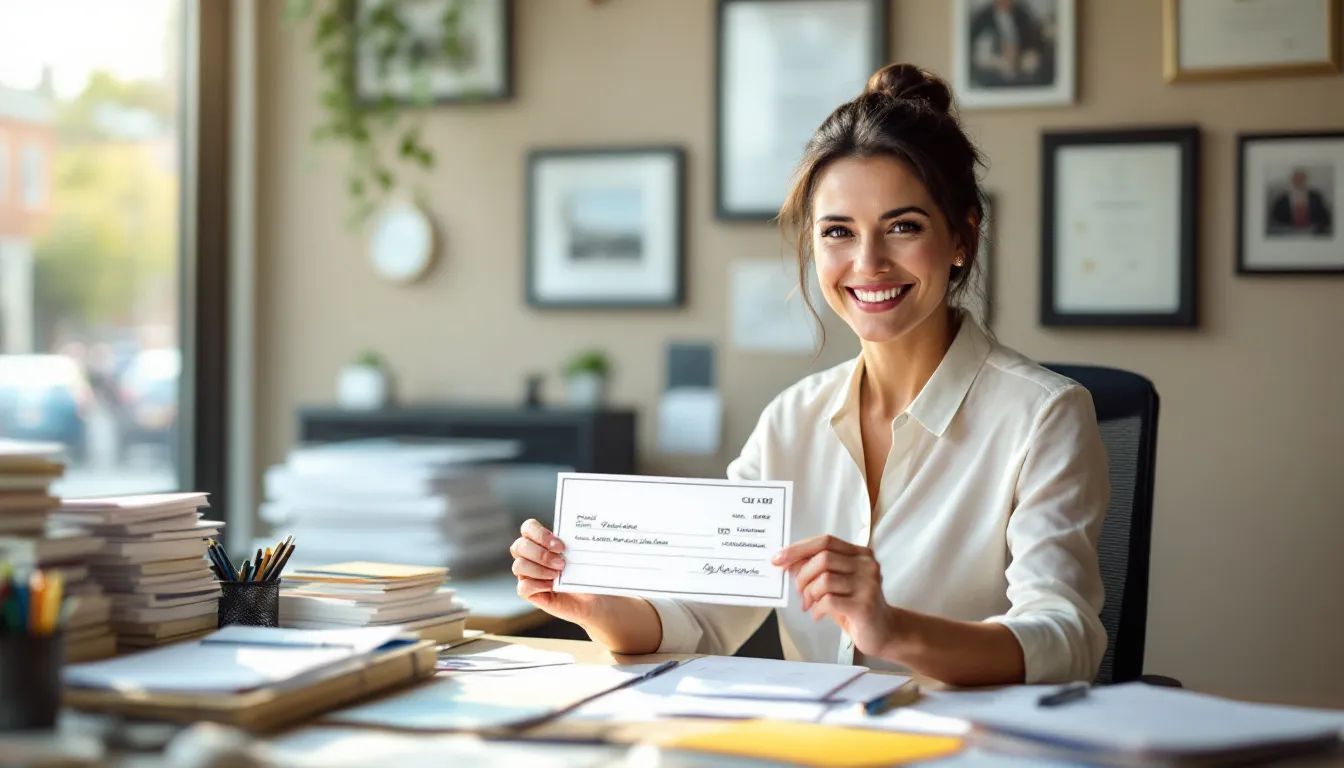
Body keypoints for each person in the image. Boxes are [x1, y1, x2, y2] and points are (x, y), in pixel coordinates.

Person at [510, 63, 1109, 687]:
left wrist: (892, 629)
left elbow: (1063, 640)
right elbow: (704, 618)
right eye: (838, 232)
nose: (868, 263)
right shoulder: (790, 422)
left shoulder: (1046, 415)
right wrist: (593, 607)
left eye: (903, 227)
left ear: (962, 236)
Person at [968, 0, 1055, 88]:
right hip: (995, 61)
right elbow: (978, 48)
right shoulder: (983, 17)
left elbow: (1032, 38)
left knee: (1033, 62)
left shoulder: (1021, 14)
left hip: (1019, 59)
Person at [1268, 169, 1333, 236]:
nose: (1299, 181)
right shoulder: (1282, 199)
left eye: (1301, 178)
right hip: (1288, 234)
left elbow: (1326, 218)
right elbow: (1275, 219)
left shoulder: (1316, 197)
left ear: (1305, 180)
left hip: (1312, 234)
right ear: (1292, 180)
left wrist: (1317, 229)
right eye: (1296, 178)